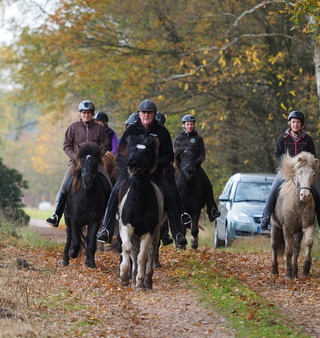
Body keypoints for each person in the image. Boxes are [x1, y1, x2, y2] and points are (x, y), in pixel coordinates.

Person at [97, 100, 192, 249]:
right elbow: (121, 153)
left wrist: (156, 166)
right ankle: (107, 228)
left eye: (149, 113)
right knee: (115, 192)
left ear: (154, 115)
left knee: (169, 194)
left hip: (154, 173)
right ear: (139, 114)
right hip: (132, 173)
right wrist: (128, 168)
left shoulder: (162, 132)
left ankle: (178, 233)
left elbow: (168, 155)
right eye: (144, 112)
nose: (146, 115)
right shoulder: (131, 130)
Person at [259, 110, 320, 233]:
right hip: (287, 171)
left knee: (317, 193)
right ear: (290, 123)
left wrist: (308, 167)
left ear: (301, 124)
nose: (295, 124)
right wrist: (285, 166)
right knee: (273, 191)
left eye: (298, 122)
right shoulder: (282, 138)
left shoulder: (307, 139)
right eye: (293, 122)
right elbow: (277, 154)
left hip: (303, 173)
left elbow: (313, 156)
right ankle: (265, 218)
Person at [46, 100, 112, 227]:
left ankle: (109, 221)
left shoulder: (99, 129)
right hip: (76, 163)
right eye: (84, 113)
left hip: (96, 163)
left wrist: (97, 156)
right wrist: (76, 158)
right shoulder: (73, 127)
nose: (86, 115)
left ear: (92, 114)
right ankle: (56, 215)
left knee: (109, 187)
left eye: (88, 113)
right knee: (65, 185)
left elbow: (105, 145)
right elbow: (66, 146)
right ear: (80, 114)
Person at [173, 114, 221, 222]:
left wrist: (194, 164)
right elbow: (175, 154)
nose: (190, 126)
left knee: (208, 184)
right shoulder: (178, 139)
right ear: (183, 125)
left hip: (195, 167)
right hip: (181, 168)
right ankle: (170, 210)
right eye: (188, 124)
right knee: (170, 183)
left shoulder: (198, 138)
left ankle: (212, 209)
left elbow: (202, 155)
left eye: (191, 124)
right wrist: (181, 166)